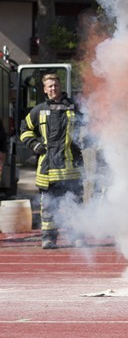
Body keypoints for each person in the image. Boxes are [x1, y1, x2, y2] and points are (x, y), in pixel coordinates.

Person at [19, 73, 84, 249]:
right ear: (45, 90)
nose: (53, 88)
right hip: (47, 169)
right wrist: (33, 144)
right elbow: (24, 129)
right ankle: (48, 238)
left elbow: (90, 126)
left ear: (60, 86)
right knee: (48, 208)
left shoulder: (74, 108)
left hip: (72, 168)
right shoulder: (38, 110)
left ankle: (76, 236)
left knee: (74, 206)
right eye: (50, 86)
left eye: (55, 85)